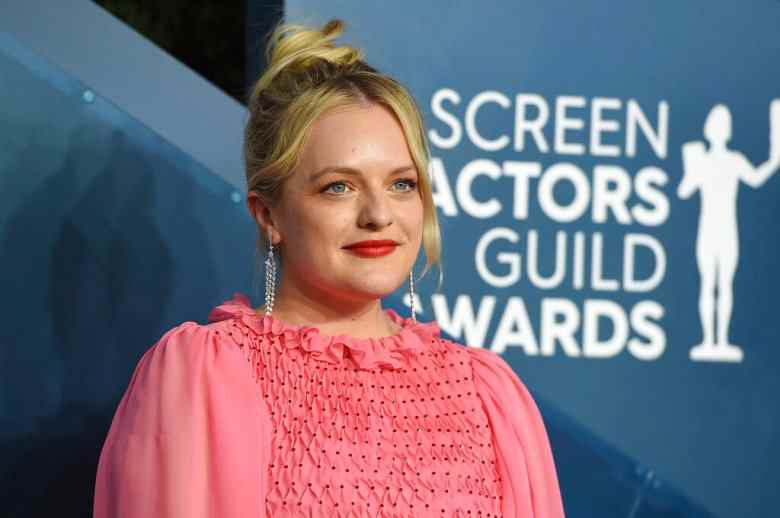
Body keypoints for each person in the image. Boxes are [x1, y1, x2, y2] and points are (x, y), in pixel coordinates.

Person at [93, 18, 564, 518]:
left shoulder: (487, 393)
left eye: (402, 184)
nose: (379, 215)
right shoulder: (204, 378)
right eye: (339, 186)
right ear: (268, 215)